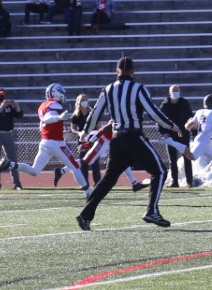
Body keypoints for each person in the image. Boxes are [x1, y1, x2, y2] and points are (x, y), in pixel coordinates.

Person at [76, 56, 188, 230]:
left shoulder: (108, 89)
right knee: (159, 171)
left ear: (117, 71)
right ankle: (152, 210)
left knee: (108, 179)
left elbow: (95, 113)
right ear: (133, 71)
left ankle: (85, 214)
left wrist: (84, 132)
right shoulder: (138, 88)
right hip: (133, 137)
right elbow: (153, 112)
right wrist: (172, 126)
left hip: (117, 139)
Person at [7, 84, 91, 196]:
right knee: (75, 166)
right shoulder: (55, 105)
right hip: (56, 143)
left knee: (35, 171)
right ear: (56, 93)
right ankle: (88, 192)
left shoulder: (43, 105)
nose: (63, 94)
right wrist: (59, 118)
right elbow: (47, 119)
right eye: (61, 91)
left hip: (45, 141)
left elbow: (43, 125)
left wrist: (60, 131)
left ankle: (9, 164)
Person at [0, 88, 24, 190]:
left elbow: (19, 115)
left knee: (13, 159)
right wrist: (1, 107)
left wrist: (17, 107)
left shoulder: (9, 106)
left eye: (3, 94)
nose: (1, 96)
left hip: (8, 134)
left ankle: (17, 183)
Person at [65, 94, 103, 189]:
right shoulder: (76, 115)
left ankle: (97, 183)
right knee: (83, 162)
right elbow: (73, 128)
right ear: (78, 102)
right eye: (82, 100)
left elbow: (99, 127)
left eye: (86, 99)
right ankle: (85, 183)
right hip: (82, 140)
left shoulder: (92, 113)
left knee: (94, 162)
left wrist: (96, 136)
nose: (85, 101)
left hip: (93, 139)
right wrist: (80, 133)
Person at [160, 85, 194, 188]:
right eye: (173, 91)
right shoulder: (164, 105)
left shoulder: (184, 103)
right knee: (172, 160)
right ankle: (174, 181)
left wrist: (191, 129)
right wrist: (163, 132)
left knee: (187, 157)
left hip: (183, 133)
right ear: (169, 93)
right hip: (170, 134)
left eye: (177, 90)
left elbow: (190, 117)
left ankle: (189, 182)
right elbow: (160, 119)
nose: (175, 92)